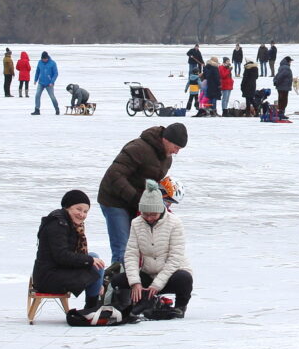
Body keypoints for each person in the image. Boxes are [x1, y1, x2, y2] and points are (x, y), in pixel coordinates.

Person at [97, 123, 187, 265]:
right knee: (123, 248)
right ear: (166, 139)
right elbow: (114, 175)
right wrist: (137, 199)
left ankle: (137, 277)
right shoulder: (138, 148)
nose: (176, 152)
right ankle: (117, 277)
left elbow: (151, 182)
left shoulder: (167, 159)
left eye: (179, 149)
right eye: (176, 147)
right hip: (114, 200)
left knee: (140, 247)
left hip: (137, 203)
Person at [111, 181, 193, 318]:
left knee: (185, 278)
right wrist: (135, 282)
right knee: (118, 280)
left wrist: (156, 285)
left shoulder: (175, 223)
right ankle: (138, 302)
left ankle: (180, 307)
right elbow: (131, 254)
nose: (149, 218)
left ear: (160, 209)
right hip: (148, 273)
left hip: (170, 274)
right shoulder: (136, 223)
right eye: (145, 214)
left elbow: (175, 258)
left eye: (153, 214)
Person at [31, 190, 107, 310]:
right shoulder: (58, 225)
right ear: (67, 207)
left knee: (94, 258)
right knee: (95, 266)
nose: (82, 214)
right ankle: (91, 308)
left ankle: (92, 302)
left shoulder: (70, 223)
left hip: (58, 270)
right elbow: (61, 256)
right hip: (48, 278)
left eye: (85, 211)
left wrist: (97, 279)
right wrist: (91, 263)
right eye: (78, 209)